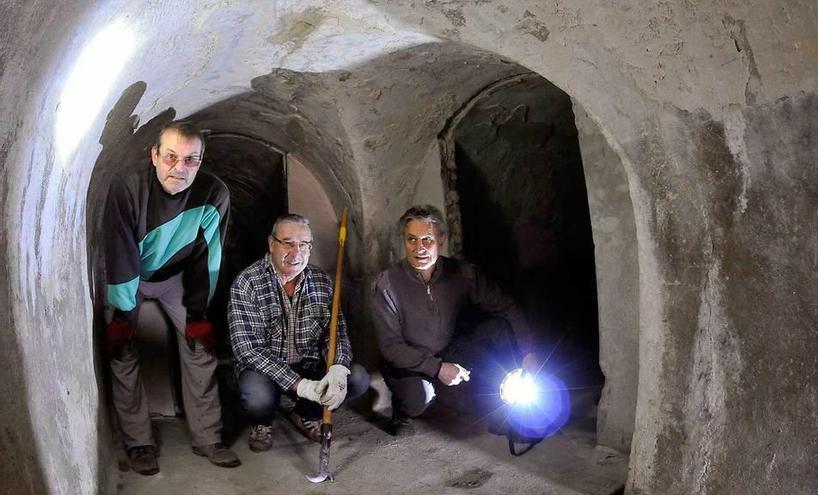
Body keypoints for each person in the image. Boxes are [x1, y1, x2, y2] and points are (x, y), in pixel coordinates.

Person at [103, 121, 240, 475]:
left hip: (175, 277)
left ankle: (208, 437)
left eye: (191, 160)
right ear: (154, 156)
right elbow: (119, 251)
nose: (180, 168)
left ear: (201, 161)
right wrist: (122, 314)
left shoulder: (214, 194)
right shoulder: (128, 189)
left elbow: (208, 258)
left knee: (201, 347)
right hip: (130, 275)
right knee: (122, 350)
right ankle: (139, 442)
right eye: (171, 157)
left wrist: (197, 313)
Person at [372, 205, 538, 435]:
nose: (419, 248)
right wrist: (437, 368)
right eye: (411, 239)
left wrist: (528, 352)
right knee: (418, 398)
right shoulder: (387, 284)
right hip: (407, 359)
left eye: (427, 239)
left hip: (449, 348)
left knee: (497, 330)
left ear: (441, 240)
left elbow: (506, 307)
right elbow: (390, 347)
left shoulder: (464, 274)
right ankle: (403, 411)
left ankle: (502, 409)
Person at [228, 213, 369, 452]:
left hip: (308, 363)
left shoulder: (321, 282)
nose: (296, 252)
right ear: (271, 244)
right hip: (265, 369)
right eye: (288, 243)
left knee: (355, 378)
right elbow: (247, 349)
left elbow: (335, 332)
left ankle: (305, 413)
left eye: (304, 245)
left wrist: (337, 367)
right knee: (257, 396)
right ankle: (262, 423)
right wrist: (299, 385)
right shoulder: (247, 283)